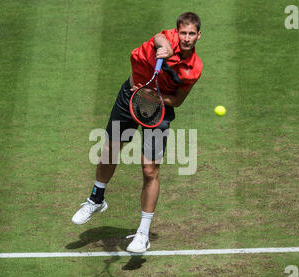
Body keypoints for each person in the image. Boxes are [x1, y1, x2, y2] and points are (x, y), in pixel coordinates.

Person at [72, 12, 203, 253]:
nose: (186, 38)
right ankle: (96, 199)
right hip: (129, 97)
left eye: (191, 34)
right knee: (110, 149)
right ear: (176, 32)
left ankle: (143, 234)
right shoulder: (166, 39)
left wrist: (152, 97)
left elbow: (178, 99)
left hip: (159, 109)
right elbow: (158, 39)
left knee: (149, 168)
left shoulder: (193, 69)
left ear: (198, 35)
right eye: (182, 33)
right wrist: (165, 50)